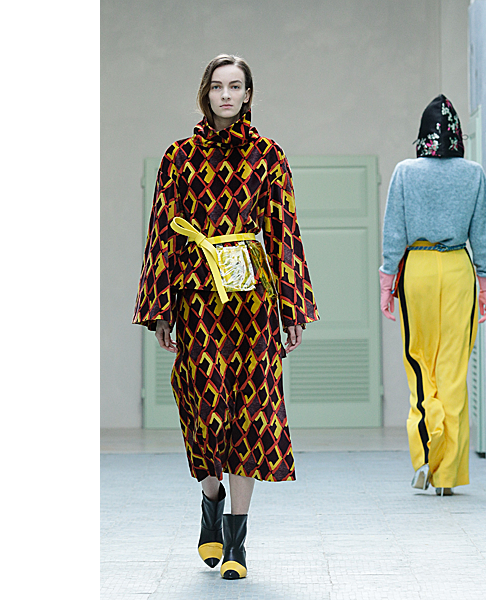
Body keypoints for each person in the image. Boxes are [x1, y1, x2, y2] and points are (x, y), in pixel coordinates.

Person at [133, 54, 319, 579]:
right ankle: (210, 502)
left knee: (250, 414)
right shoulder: (179, 157)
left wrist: (292, 308)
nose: (227, 95)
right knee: (203, 408)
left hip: (250, 302)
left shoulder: (268, 156)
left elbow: (283, 232)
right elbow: (163, 232)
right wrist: (160, 309)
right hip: (196, 299)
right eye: (218, 86)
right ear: (206, 93)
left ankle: (236, 541)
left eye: (236, 86)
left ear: (248, 94)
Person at [379, 94, 486, 497]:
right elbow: (483, 231)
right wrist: (485, 285)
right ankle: (448, 474)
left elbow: (394, 230)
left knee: (419, 363)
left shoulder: (405, 172)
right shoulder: (474, 173)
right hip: (460, 269)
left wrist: (387, 283)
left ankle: (426, 454)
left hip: (418, 268)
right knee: (454, 370)